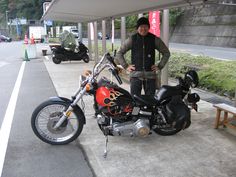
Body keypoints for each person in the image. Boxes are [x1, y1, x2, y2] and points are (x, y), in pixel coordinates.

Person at [116, 17, 170, 96]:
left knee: (150, 101)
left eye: (146, 26)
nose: (143, 29)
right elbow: (119, 53)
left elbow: (166, 53)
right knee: (135, 100)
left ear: (149, 28)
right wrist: (126, 66)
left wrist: (160, 66)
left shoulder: (154, 39)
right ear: (137, 28)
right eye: (141, 26)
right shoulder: (132, 39)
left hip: (150, 76)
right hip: (135, 76)